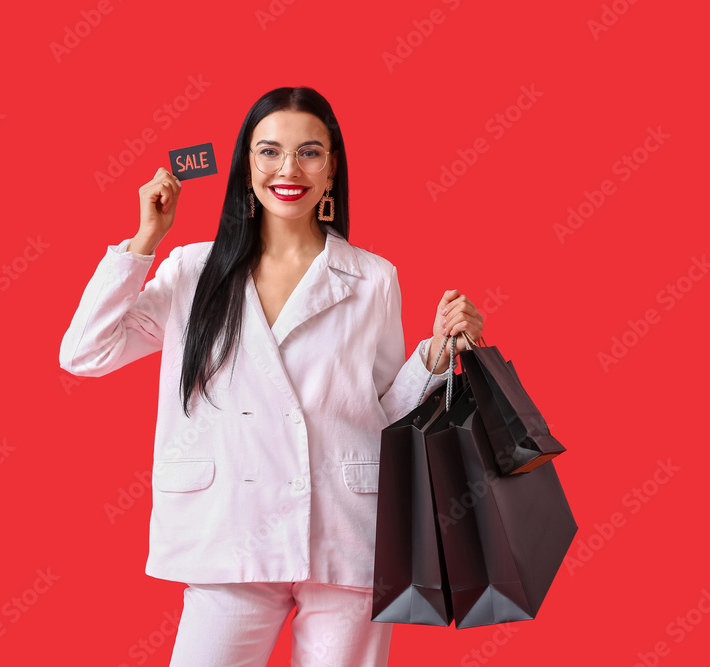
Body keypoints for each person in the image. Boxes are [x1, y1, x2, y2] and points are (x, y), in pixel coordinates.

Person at [60, 87, 484, 666]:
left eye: (310, 152)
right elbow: (85, 351)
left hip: (342, 529)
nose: (289, 169)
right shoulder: (192, 269)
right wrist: (144, 243)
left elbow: (382, 413)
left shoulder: (373, 278)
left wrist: (434, 356)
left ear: (331, 167)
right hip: (229, 527)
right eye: (270, 152)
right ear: (246, 165)